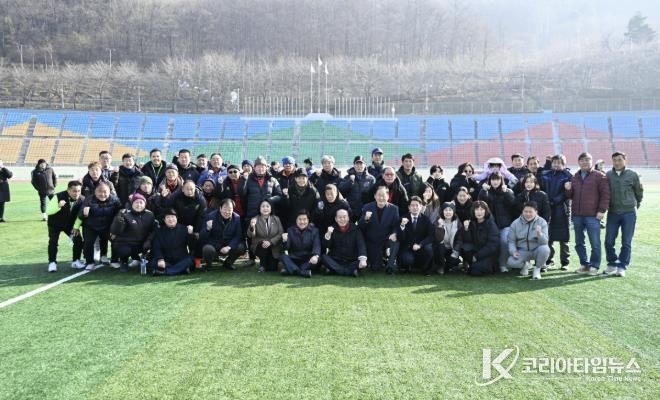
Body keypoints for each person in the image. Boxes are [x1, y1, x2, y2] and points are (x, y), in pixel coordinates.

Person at [565, 152, 610, 275]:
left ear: (591, 161)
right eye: (582, 160)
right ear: (578, 162)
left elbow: (605, 195)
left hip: (593, 215)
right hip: (577, 215)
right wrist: (568, 189)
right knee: (579, 242)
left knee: (595, 242)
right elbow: (570, 196)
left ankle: (594, 266)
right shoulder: (575, 176)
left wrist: (602, 210)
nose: (584, 162)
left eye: (587, 160)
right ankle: (584, 265)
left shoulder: (599, 176)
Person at [604, 152, 643, 277]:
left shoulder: (632, 175)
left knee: (626, 242)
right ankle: (612, 263)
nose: (617, 162)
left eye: (619, 160)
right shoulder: (608, 175)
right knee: (609, 241)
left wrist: (637, 202)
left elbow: (638, 191)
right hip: (613, 212)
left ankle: (622, 266)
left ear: (625, 160)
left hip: (628, 213)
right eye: (614, 160)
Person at [77, 182, 122, 271]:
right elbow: (80, 215)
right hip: (91, 226)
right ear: (95, 191)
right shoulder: (89, 199)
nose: (102, 194)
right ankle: (89, 262)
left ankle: (114, 261)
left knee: (116, 240)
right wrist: (84, 213)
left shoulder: (115, 200)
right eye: (100, 192)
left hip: (108, 226)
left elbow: (120, 214)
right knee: (88, 243)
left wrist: (115, 229)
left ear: (109, 192)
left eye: (105, 192)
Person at [164, 180, 208, 268]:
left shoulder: (200, 199)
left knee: (197, 236)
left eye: (192, 189)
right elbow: (169, 211)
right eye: (187, 189)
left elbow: (202, 217)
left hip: (194, 224)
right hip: (178, 223)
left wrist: (195, 230)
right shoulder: (175, 197)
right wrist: (179, 227)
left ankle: (197, 258)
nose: (190, 191)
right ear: (182, 189)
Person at [478, 171, 515, 272]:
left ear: (501, 180)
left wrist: (506, 192)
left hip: (505, 224)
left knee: (504, 241)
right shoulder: (485, 191)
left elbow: (512, 205)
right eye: (493, 179)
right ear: (489, 180)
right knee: (489, 243)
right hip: (490, 225)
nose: (495, 182)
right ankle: (492, 264)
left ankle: (503, 264)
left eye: (497, 179)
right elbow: (480, 205)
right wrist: (484, 191)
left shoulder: (507, 191)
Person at [109, 194, 156, 272]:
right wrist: (119, 219)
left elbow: (153, 230)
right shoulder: (125, 214)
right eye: (136, 202)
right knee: (124, 250)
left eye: (141, 202)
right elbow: (115, 231)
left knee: (153, 245)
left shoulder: (150, 214)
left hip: (142, 243)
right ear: (132, 204)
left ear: (145, 204)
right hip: (126, 243)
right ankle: (124, 261)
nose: (139, 205)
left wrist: (148, 240)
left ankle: (139, 259)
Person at [541, 154, 572, 270]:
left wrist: (554, 201)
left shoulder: (568, 175)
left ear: (563, 164)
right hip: (548, 209)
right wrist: (546, 202)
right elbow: (542, 188)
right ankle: (549, 260)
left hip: (562, 209)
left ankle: (565, 262)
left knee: (564, 238)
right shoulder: (546, 174)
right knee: (549, 236)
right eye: (554, 162)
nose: (556, 165)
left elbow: (566, 193)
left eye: (559, 163)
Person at [358, 187, 400, 273]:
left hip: (386, 239)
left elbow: (396, 226)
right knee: (375, 268)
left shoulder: (394, 209)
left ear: (388, 196)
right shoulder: (367, 207)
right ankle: (381, 260)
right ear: (375, 196)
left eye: (383, 195)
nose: (381, 198)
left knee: (396, 240)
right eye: (379, 195)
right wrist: (366, 219)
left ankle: (390, 266)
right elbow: (360, 226)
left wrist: (394, 233)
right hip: (372, 241)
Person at [46, 180, 85, 272]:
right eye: (74, 191)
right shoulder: (58, 196)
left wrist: (76, 227)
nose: (76, 193)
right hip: (55, 224)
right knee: (53, 242)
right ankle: (52, 262)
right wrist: (58, 206)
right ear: (68, 190)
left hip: (69, 224)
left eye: (79, 191)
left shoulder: (82, 199)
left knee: (78, 240)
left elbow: (80, 216)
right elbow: (48, 211)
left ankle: (76, 261)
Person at [506, 201, 550, 280]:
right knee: (511, 262)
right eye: (525, 211)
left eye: (530, 212)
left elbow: (545, 242)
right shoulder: (515, 223)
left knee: (545, 249)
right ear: (522, 212)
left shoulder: (542, 222)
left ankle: (537, 269)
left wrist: (540, 234)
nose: (528, 214)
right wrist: (513, 251)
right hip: (522, 251)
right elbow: (511, 241)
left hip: (536, 250)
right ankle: (525, 265)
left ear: (536, 212)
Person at [199, 199, 245, 271]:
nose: (227, 212)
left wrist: (229, 247)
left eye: (230, 209)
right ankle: (208, 265)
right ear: (220, 208)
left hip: (228, 245)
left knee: (241, 247)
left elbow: (238, 236)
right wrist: (207, 229)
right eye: (225, 209)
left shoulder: (236, 218)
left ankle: (228, 263)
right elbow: (202, 237)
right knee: (207, 249)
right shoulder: (210, 216)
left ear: (233, 210)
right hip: (214, 245)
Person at [456, 201, 500, 276]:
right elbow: (467, 240)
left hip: (488, 254)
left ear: (486, 211)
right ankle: (470, 264)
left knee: (475, 271)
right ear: (473, 211)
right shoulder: (471, 222)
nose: (479, 212)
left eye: (482, 209)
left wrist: (477, 256)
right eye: (477, 209)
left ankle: (491, 267)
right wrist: (466, 229)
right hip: (476, 251)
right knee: (465, 247)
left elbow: (492, 245)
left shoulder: (491, 224)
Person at [321, 209, 367, 277]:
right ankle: (349, 272)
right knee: (323, 257)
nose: (342, 219)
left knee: (362, 262)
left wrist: (363, 260)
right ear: (336, 219)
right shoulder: (331, 228)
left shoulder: (356, 229)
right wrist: (328, 234)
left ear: (348, 218)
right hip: (336, 260)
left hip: (351, 260)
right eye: (339, 217)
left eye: (344, 217)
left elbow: (361, 245)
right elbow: (326, 246)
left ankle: (334, 270)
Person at [396, 196, 434, 275]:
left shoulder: (425, 219)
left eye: (417, 205)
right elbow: (400, 237)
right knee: (407, 260)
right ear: (409, 207)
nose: (415, 207)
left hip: (420, 247)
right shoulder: (403, 218)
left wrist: (420, 244)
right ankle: (406, 267)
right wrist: (402, 226)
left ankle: (426, 269)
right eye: (412, 205)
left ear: (421, 206)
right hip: (407, 248)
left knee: (429, 249)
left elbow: (431, 236)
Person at [150, 209, 194, 276]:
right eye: (168, 217)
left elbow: (192, 245)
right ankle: (181, 270)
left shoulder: (184, 229)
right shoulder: (159, 231)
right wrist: (160, 259)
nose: (170, 219)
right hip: (166, 260)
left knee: (190, 260)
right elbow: (156, 247)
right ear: (164, 220)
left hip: (181, 259)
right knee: (153, 262)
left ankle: (165, 272)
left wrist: (190, 234)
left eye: (173, 217)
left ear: (176, 218)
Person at [280, 210, 321, 278]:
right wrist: (285, 241)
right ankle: (301, 272)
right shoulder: (290, 230)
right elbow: (286, 247)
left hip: (308, 259)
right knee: (283, 256)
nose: (302, 222)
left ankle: (291, 270)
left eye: (304, 219)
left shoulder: (315, 231)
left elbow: (317, 245)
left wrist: (316, 256)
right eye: (300, 219)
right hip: (295, 258)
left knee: (318, 259)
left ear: (308, 220)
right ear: (296, 220)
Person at [247, 199, 284, 272]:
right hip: (259, 246)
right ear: (259, 208)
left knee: (272, 268)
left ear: (271, 208)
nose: (265, 208)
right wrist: (252, 226)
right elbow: (250, 235)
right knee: (263, 244)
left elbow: (281, 233)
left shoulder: (276, 219)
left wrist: (271, 242)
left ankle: (269, 262)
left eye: (267, 206)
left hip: (273, 246)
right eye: (263, 206)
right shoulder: (255, 219)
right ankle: (262, 266)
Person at [338, 155, 375, 222]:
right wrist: (350, 182)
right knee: (350, 227)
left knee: (365, 226)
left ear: (364, 165)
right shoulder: (347, 177)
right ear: (354, 165)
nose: (359, 166)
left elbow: (374, 195)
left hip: (365, 210)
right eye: (357, 164)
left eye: (361, 164)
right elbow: (341, 190)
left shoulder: (371, 179)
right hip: (351, 210)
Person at [433, 202, 461, 274]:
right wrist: (440, 226)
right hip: (441, 248)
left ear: (453, 211)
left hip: (452, 247)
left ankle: (447, 266)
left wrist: (456, 250)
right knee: (440, 246)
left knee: (454, 260)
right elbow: (438, 239)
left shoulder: (457, 222)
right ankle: (440, 266)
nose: (448, 212)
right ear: (442, 211)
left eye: (450, 210)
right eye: (445, 210)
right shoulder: (438, 221)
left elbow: (460, 239)